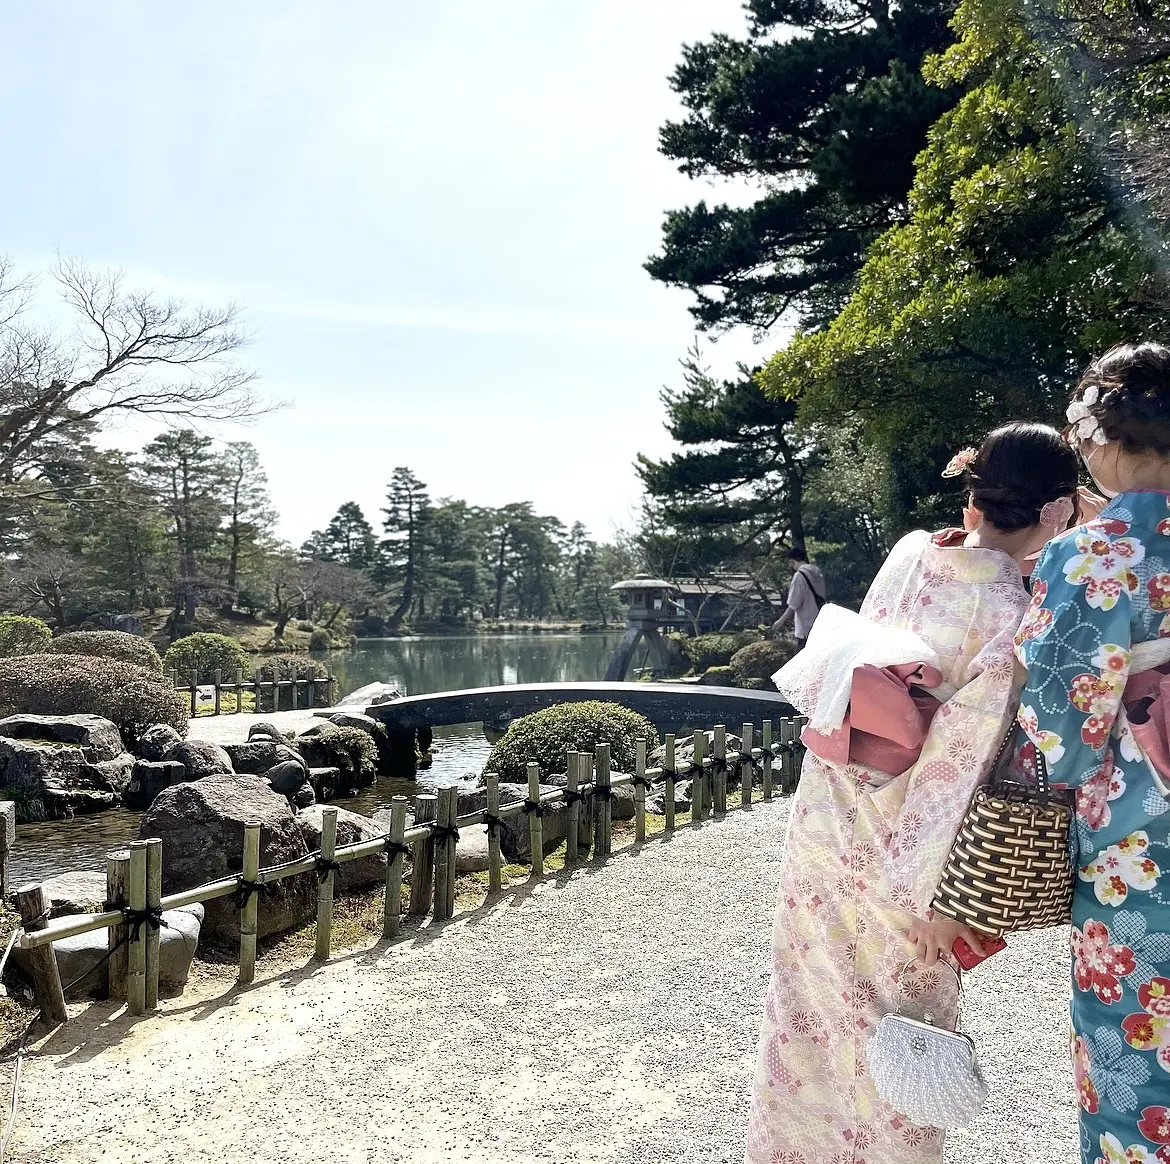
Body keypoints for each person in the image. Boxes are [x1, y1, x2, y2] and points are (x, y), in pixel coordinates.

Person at [745, 422, 1080, 1164]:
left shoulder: (907, 554)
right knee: (899, 1032)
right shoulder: (1012, 620)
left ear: (974, 493)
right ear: (1057, 511)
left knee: (807, 1016)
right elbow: (957, 763)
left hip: (829, 815)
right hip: (905, 857)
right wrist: (943, 898)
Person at [1014, 343, 1170, 1164]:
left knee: (1139, 1061)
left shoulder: (1094, 552)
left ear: (1103, 436)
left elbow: (1059, 733)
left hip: (1142, 850)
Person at [772, 546, 827, 648]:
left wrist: (781, 621)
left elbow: (793, 604)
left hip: (806, 628)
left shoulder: (799, 576)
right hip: (820, 623)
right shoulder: (817, 573)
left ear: (793, 562)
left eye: (790, 563)